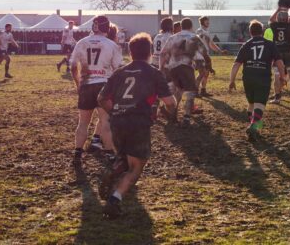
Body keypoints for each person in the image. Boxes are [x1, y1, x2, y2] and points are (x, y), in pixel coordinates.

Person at [97, 32, 177, 218]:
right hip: (138, 123)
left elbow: (101, 98)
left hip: (117, 121)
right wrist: (168, 113)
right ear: (150, 52)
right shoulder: (154, 73)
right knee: (136, 167)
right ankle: (114, 199)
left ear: (130, 53)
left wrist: (116, 111)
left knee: (125, 155)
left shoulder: (120, 72)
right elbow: (170, 102)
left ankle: (114, 169)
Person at [70, 16, 123, 162]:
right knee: (105, 121)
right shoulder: (111, 45)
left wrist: (78, 85)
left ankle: (77, 153)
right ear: (107, 28)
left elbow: (73, 67)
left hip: (86, 84)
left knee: (83, 123)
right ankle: (110, 153)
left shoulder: (81, 42)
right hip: (104, 85)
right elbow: (118, 69)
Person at [229, 20, 286, 141]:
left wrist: (232, 80)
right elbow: (279, 62)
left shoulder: (246, 44)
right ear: (262, 31)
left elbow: (236, 64)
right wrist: (282, 76)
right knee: (259, 104)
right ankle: (254, 127)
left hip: (248, 77)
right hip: (263, 77)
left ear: (250, 32)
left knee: (251, 104)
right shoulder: (270, 44)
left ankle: (256, 128)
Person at [160, 18, 213, 127]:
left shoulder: (172, 37)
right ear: (191, 27)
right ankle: (186, 118)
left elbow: (163, 53)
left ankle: (173, 114)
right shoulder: (194, 37)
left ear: (181, 26)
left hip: (173, 68)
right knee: (191, 92)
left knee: (178, 90)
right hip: (186, 67)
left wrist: (161, 68)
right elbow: (204, 52)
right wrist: (208, 63)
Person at [268, 8, 290, 104]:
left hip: (277, 54)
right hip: (289, 53)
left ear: (278, 19)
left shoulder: (274, 25)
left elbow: (271, 19)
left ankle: (277, 97)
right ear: (287, 19)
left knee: (277, 75)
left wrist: (278, 9)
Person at [195, 16, 227, 97]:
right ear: (202, 22)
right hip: (200, 55)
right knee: (202, 73)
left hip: (206, 55)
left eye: (208, 21)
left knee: (206, 73)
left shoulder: (207, 32)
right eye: (206, 21)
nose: (208, 23)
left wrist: (220, 51)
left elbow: (211, 44)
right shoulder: (199, 31)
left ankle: (203, 90)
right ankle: (195, 91)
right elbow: (199, 41)